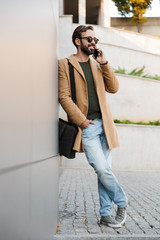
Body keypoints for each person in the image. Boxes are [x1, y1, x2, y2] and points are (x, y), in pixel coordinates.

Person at [58, 25, 128, 228]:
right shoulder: (65, 64)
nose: (93, 43)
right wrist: (80, 120)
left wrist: (104, 63)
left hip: (105, 126)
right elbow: (63, 95)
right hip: (87, 127)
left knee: (104, 170)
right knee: (101, 168)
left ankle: (106, 214)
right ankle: (123, 202)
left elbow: (113, 88)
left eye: (95, 39)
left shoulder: (98, 64)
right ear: (77, 41)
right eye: (89, 39)